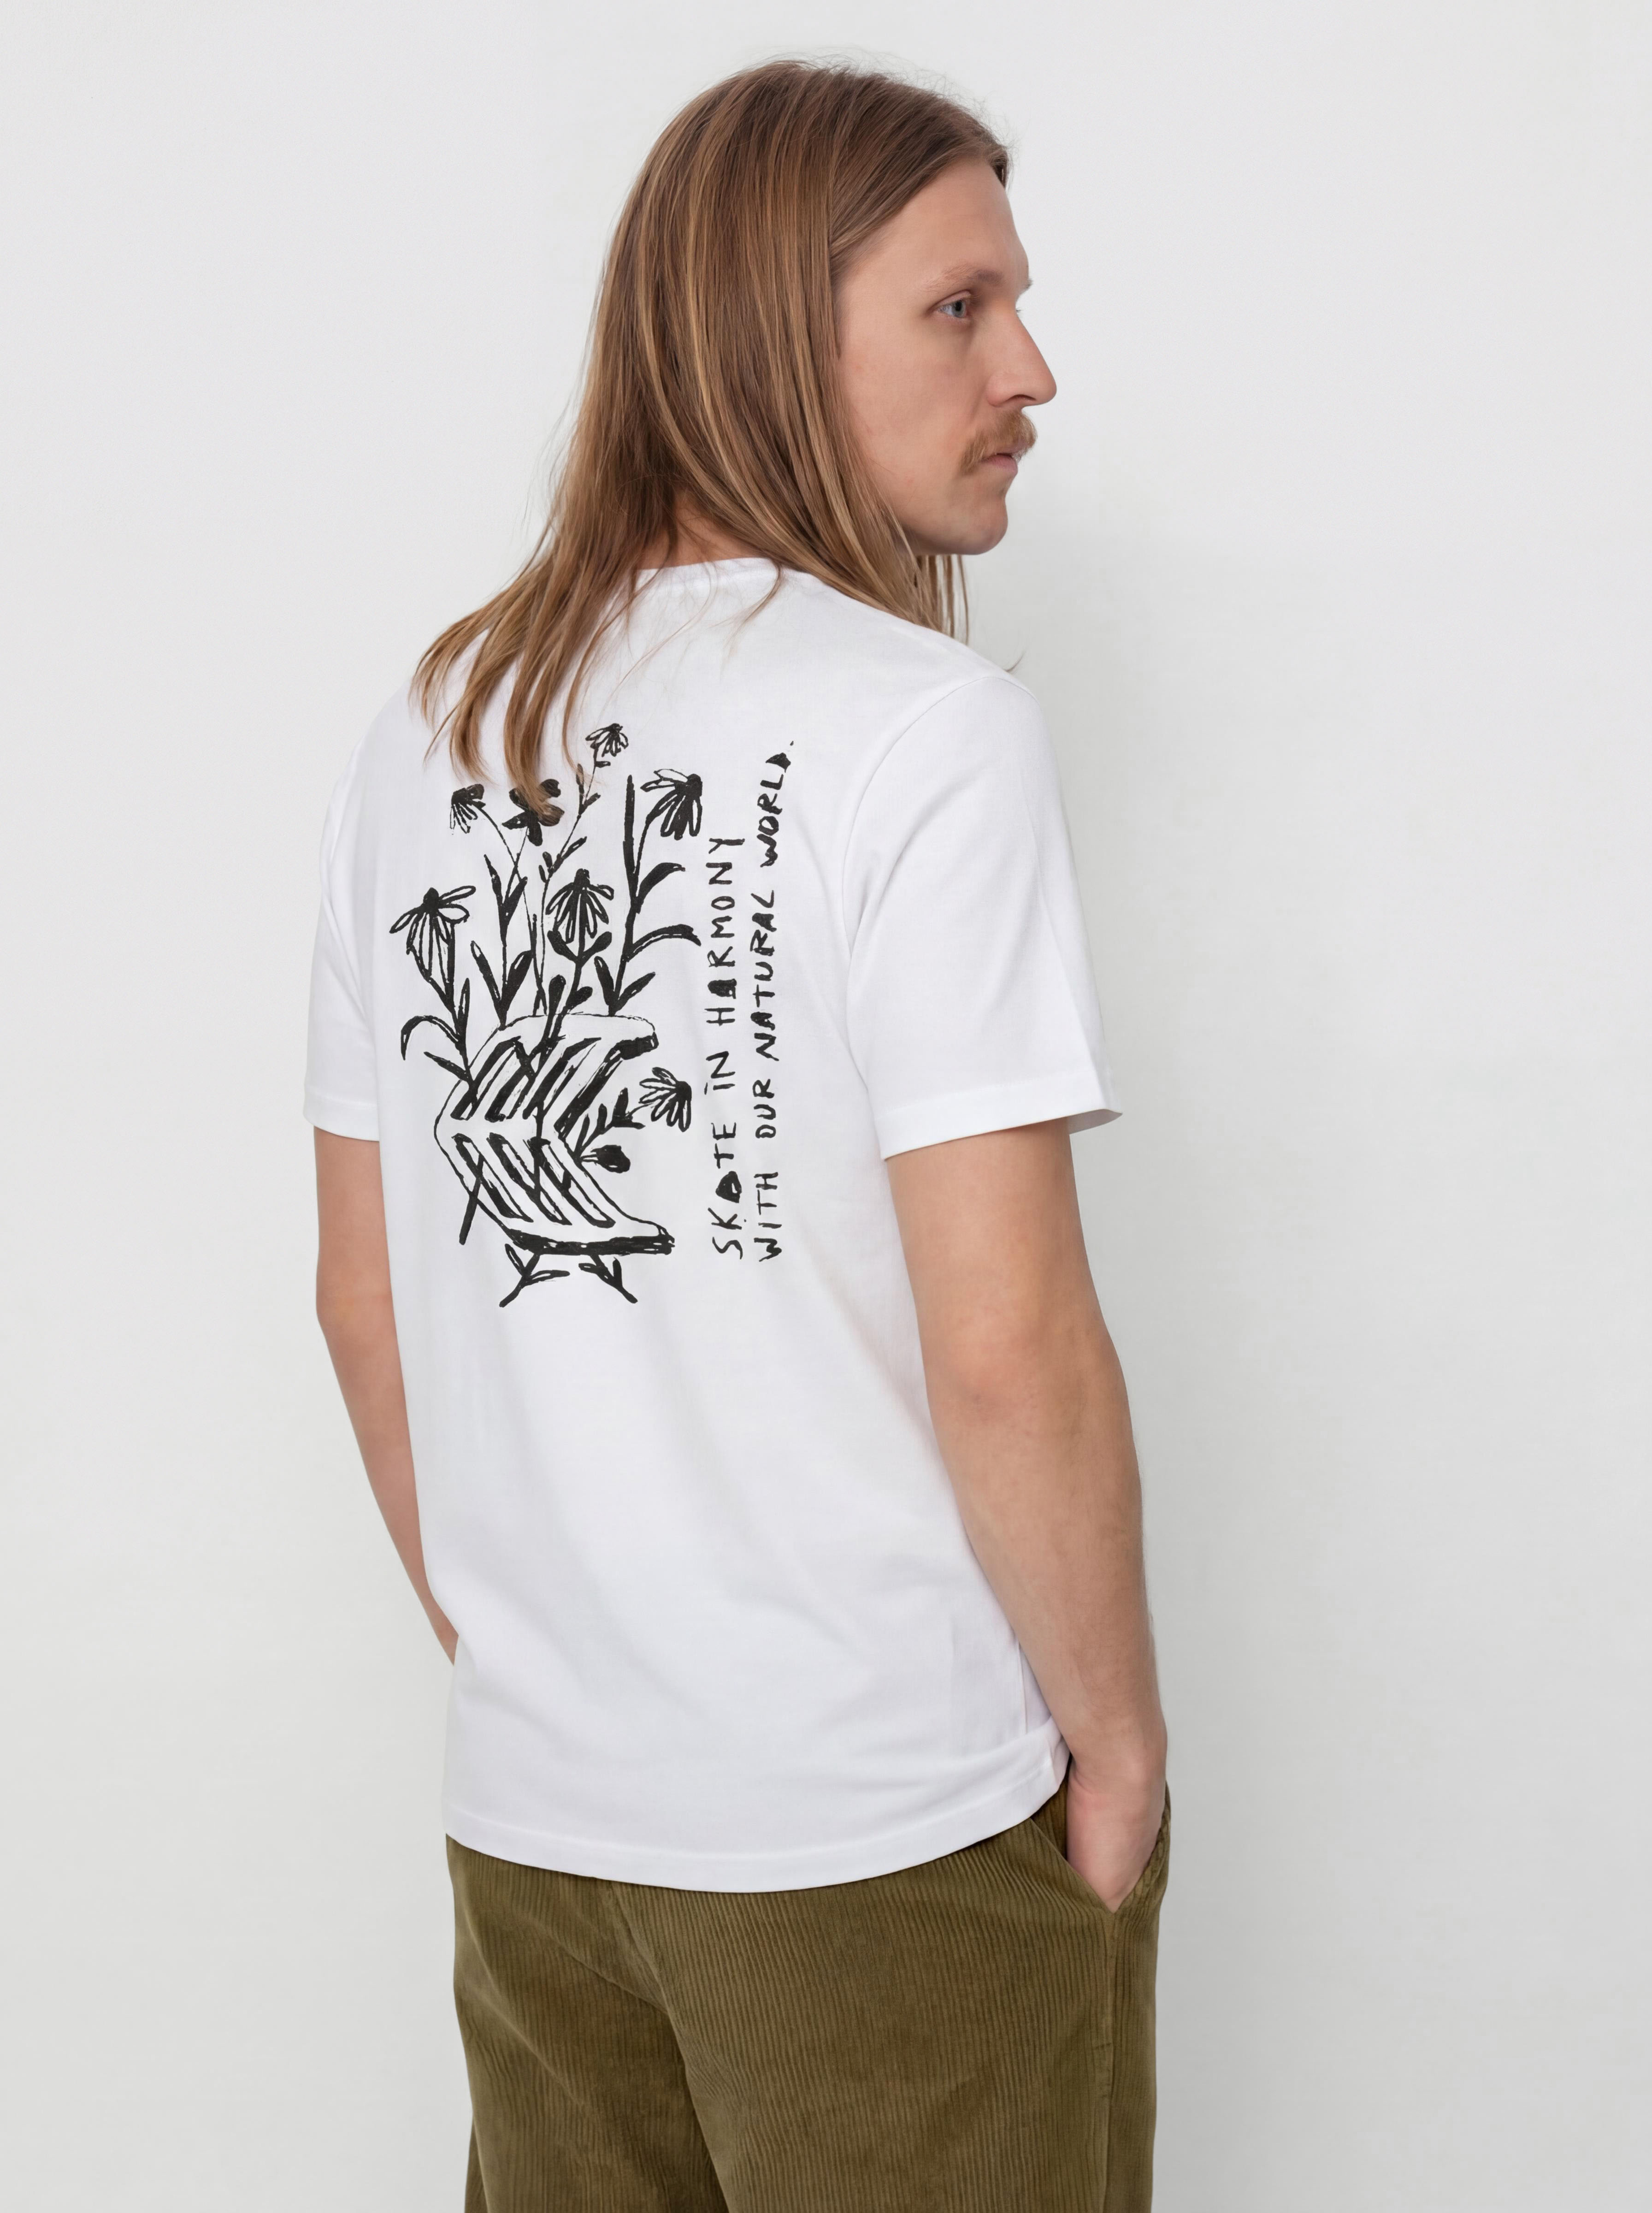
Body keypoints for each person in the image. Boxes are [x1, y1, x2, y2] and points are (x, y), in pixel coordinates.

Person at [307, 57, 1168, 2213]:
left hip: (541, 1829)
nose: (1028, 370)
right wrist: (1120, 1745)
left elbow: (365, 1305)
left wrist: (548, 1659)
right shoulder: (924, 735)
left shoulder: (429, 730)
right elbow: (1007, 1343)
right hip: (875, 1827)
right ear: (775, 335)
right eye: (958, 308)